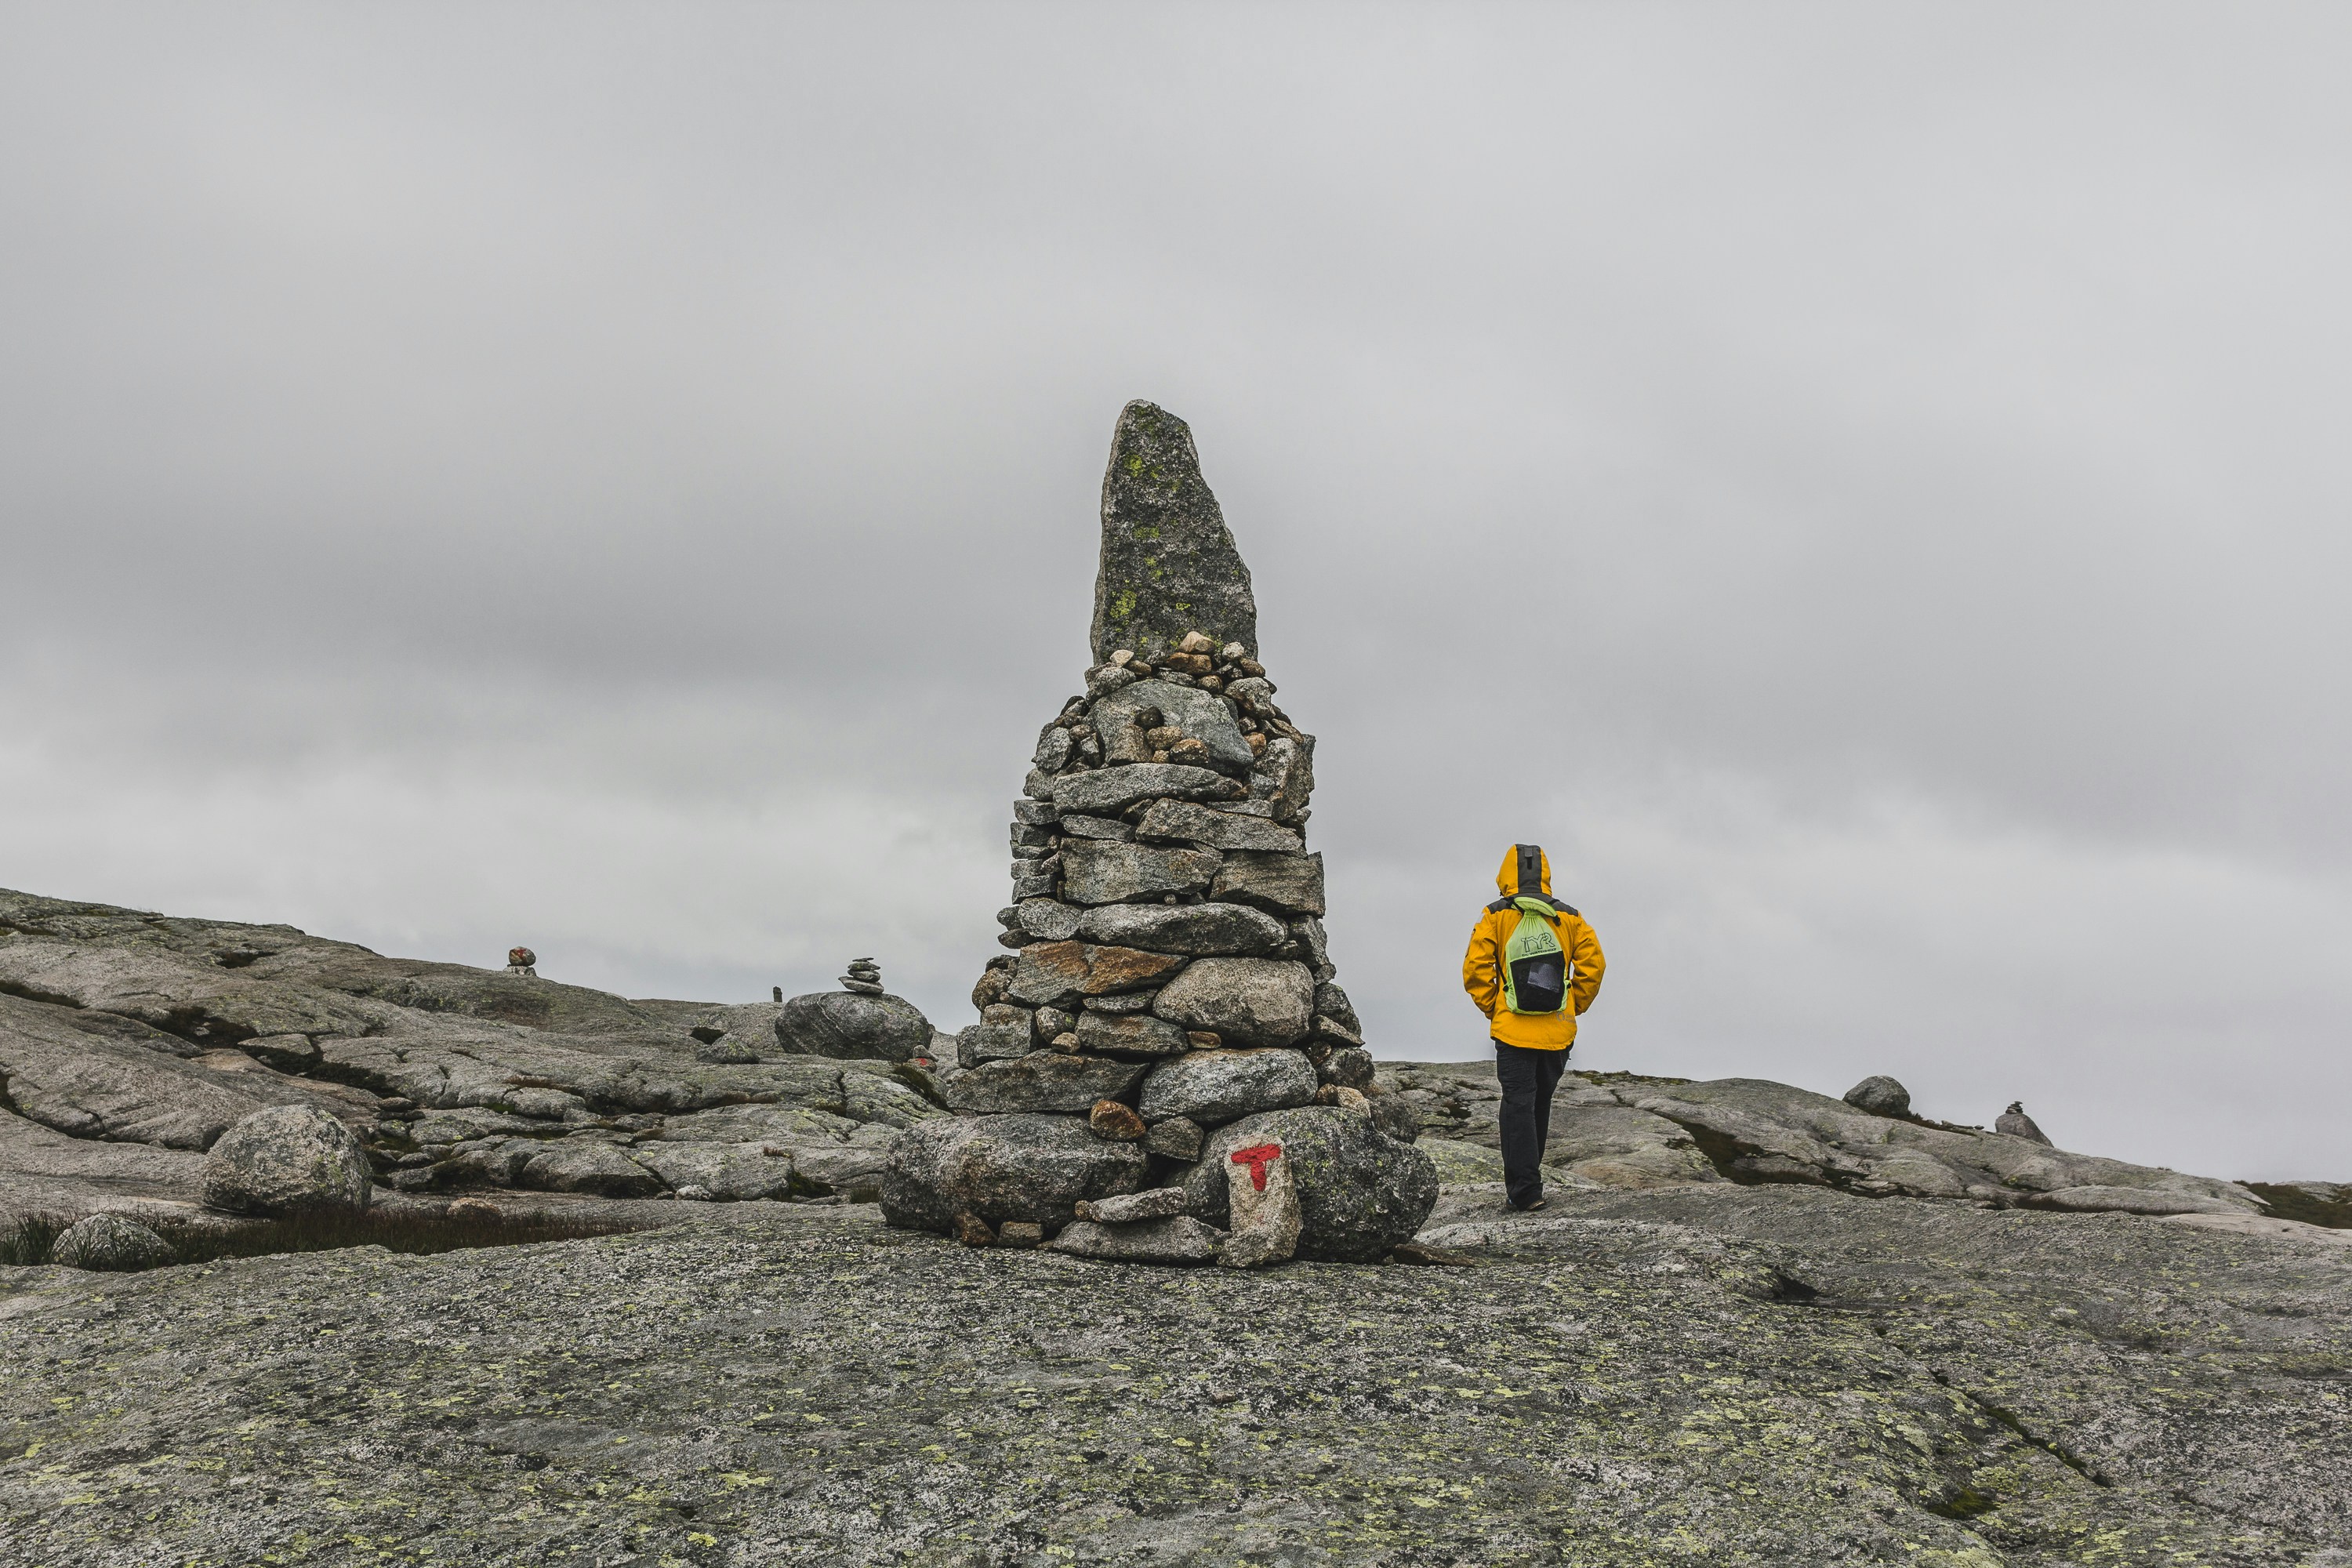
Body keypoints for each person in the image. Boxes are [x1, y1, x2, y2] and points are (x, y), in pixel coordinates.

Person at [1461, 844, 1605, 1211]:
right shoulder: (1570, 918)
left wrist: (1495, 1008)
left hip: (1513, 1031)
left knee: (1518, 1105)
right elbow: (1593, 967)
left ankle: (1525, 1191)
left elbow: (1476, 969)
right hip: (1558, 1032)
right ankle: (1529, 1185)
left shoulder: (1495, 915)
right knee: (1539, 1103)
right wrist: (1574, 1006)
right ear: (1545, 875)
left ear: (1505, 875)